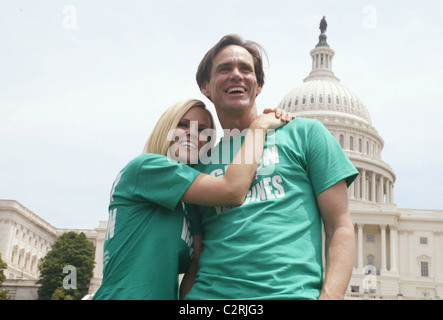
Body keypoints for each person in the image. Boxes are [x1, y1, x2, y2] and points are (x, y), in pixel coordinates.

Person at [182, 35, 359, 300]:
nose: (236, 75)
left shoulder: (306, 133)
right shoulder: (198, 162)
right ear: (205, 86)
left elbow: (340, 226)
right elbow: (197, 258)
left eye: (245, 69)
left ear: (259, 84)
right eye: (224, 69)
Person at [92, 99, 293, 300]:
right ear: (166, 128)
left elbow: (195, 266)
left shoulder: (188, 204)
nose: (193, 133)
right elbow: (233, 190)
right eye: (183, 124)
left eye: (204, 131)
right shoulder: (147, 167)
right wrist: (258, 127)